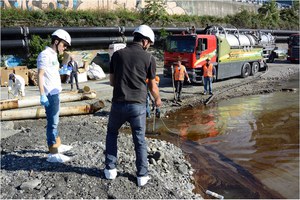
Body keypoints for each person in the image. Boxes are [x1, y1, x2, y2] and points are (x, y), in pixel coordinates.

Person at [104, 25, 162, 187]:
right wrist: (157, 99)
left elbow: (112, 82)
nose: (149, 46)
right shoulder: (149, 58)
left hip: (118, 104)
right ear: (144, 41)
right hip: (137, 106)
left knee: (112, 134)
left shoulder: (117, 55)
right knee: (139, 140)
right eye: (149, 43)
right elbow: (152, 85)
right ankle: (142, 176)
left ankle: (110, 169)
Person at [37, 29, 73, 163]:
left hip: (55, 92)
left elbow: (51, 72)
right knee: (52, 123)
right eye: (64, 44)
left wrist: (62, 70)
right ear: (56, 41)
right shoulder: (45, 55)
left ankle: (57, 144)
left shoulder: (53, 55)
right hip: (50, 95)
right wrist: (42, 95)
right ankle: (53, 153)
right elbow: (40, 75)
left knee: (55, 122)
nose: (65, 47)